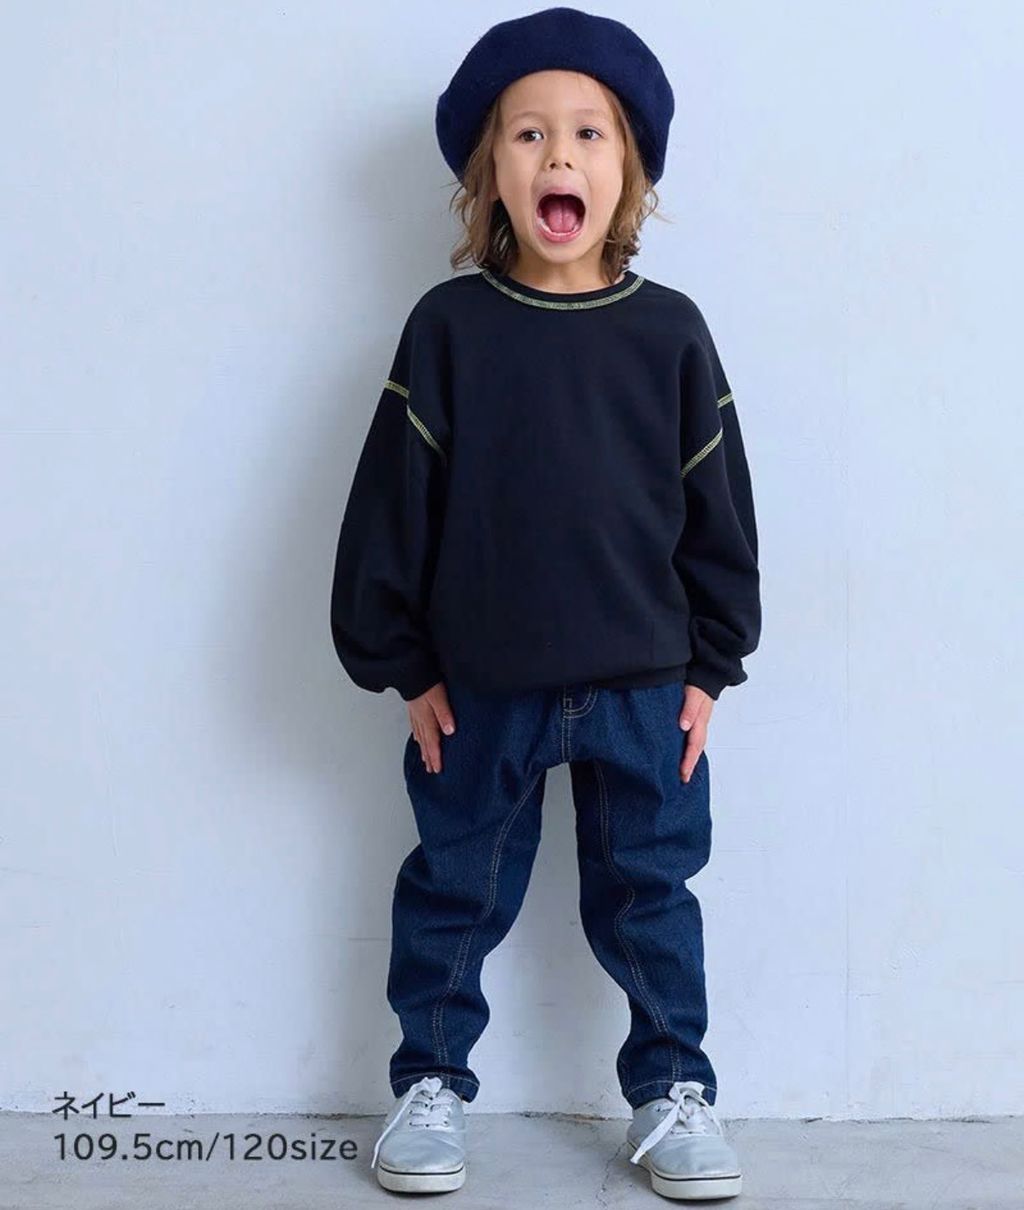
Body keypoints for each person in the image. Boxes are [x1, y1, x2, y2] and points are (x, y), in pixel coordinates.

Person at [329, 6, 761, 1200]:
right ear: (490, 174)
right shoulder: (449, 329)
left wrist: (711, 665)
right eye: (527, 134)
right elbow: (392, 506)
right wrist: (402, 662)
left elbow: (719, 511)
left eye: (586, 133)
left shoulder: (670, 333)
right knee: (453, 890)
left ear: (628, 173)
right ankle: (429, 1081)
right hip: (480, 687)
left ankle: (673, 1089)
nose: (557, 154)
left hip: (643, 686)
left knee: (651, 897)